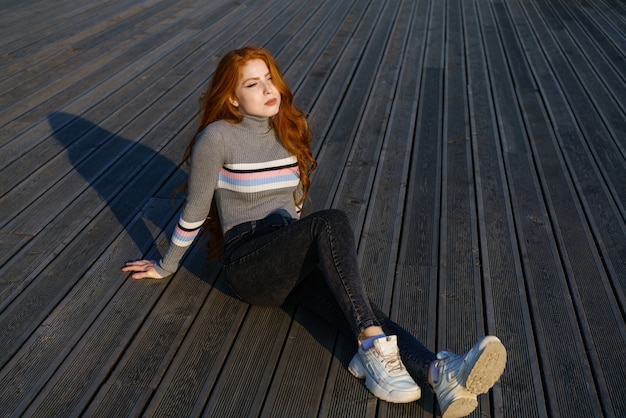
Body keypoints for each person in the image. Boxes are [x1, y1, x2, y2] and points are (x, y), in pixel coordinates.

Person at [123, 46, 506, 417]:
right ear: (233, 99)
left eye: (268, 78)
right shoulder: (218, 137)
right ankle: (375, 350)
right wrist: (166, 265)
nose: (267, 89)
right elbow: (194, 208)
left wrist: (315, 255)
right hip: (249, 261)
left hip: (288, 250)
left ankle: (440, 376)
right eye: (252, 84)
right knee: (333, 222)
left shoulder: (288, 128)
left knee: (359, 308)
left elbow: (295, 203)